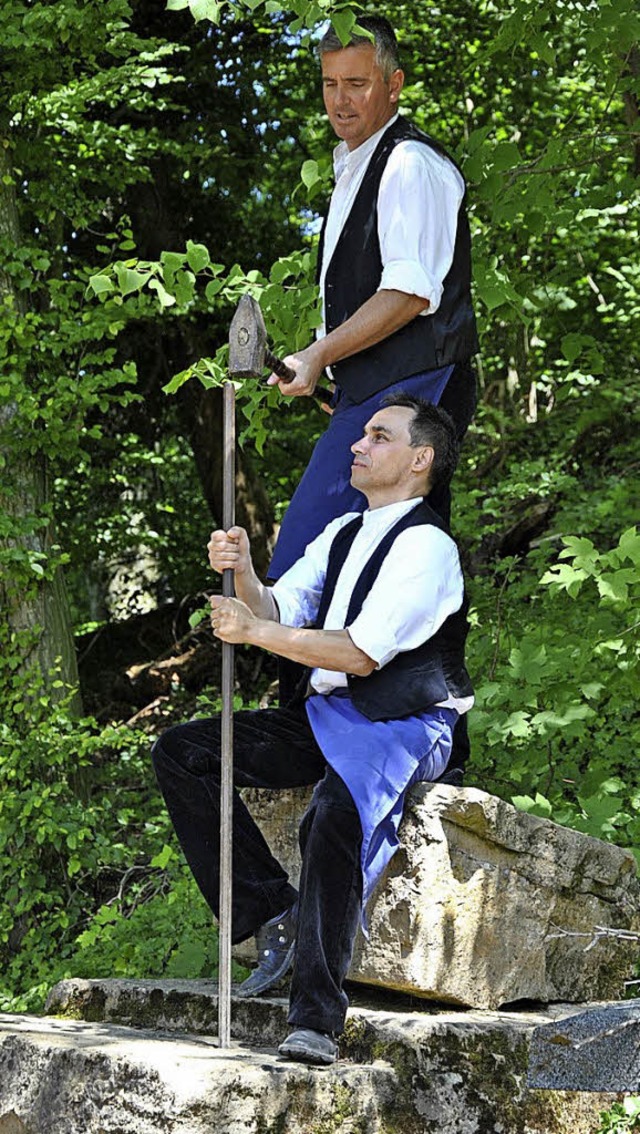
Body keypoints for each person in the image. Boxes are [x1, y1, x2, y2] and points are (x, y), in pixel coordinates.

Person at [152, 395, 473, 1066]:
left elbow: (359, 653)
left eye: (378, 437)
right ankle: (272, 914)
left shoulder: (428, 547)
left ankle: (317, 1019)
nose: (358, 445)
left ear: (420, 460)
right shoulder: (344, 533)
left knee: (334, 810)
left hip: (403, 719)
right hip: (324, 714)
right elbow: (273, 605)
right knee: (184, 752)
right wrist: (240, 569)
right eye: (361, 435)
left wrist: (257, 629)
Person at [267, 14, 479, 580]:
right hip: (378, 394)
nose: (340, 100)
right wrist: (337, 378)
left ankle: (318, 669)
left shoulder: (409, 164)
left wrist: (318, 356)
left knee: (313, 567)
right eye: (330, 83)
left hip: (419, 389)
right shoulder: (356, 167)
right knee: (354, 570)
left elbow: (409, 294)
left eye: (357, 84)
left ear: (394, 83)